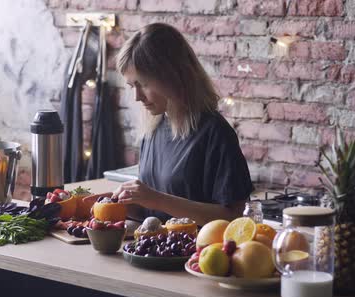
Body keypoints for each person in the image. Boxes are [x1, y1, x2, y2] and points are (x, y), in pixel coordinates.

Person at [84, 23, 254, 226]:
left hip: (200, 255)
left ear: (172, 75)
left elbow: (234, 217)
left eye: (144, 84)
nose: (137, 97)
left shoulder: (215, 133)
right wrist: (124, 205)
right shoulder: (154, 130)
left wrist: (157, 199)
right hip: (157, 252)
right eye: (132, 86)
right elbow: (157, 214)